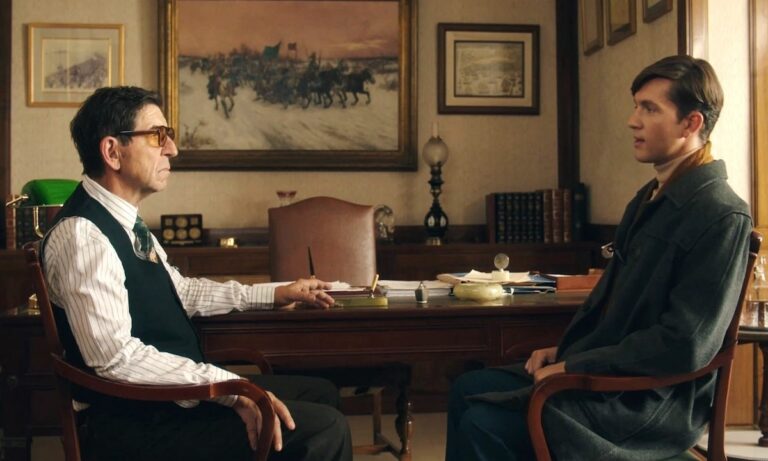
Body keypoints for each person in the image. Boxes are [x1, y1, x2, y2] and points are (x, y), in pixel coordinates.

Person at [446, 55, 753, 460]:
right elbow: (612, 312)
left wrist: (575, 367)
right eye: (636, 106)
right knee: (466, 388)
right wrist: (566, 352)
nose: (632, 120)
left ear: (691, 123)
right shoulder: (648, 198)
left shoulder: (721, 213)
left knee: (483, 422)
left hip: (651, 400)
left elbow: (686, 344)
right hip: (612, 374)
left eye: (649, 109)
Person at [42, 86, 352, 461]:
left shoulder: (123, 222)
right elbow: (115, 358)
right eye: (157, 136)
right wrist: (230, 389)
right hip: (134, 424)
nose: (172, 149)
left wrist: (275, 293)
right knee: (326, 428)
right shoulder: (84, 235)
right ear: (112, 152)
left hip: (165, 402)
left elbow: (181, 292)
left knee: (321, 393)